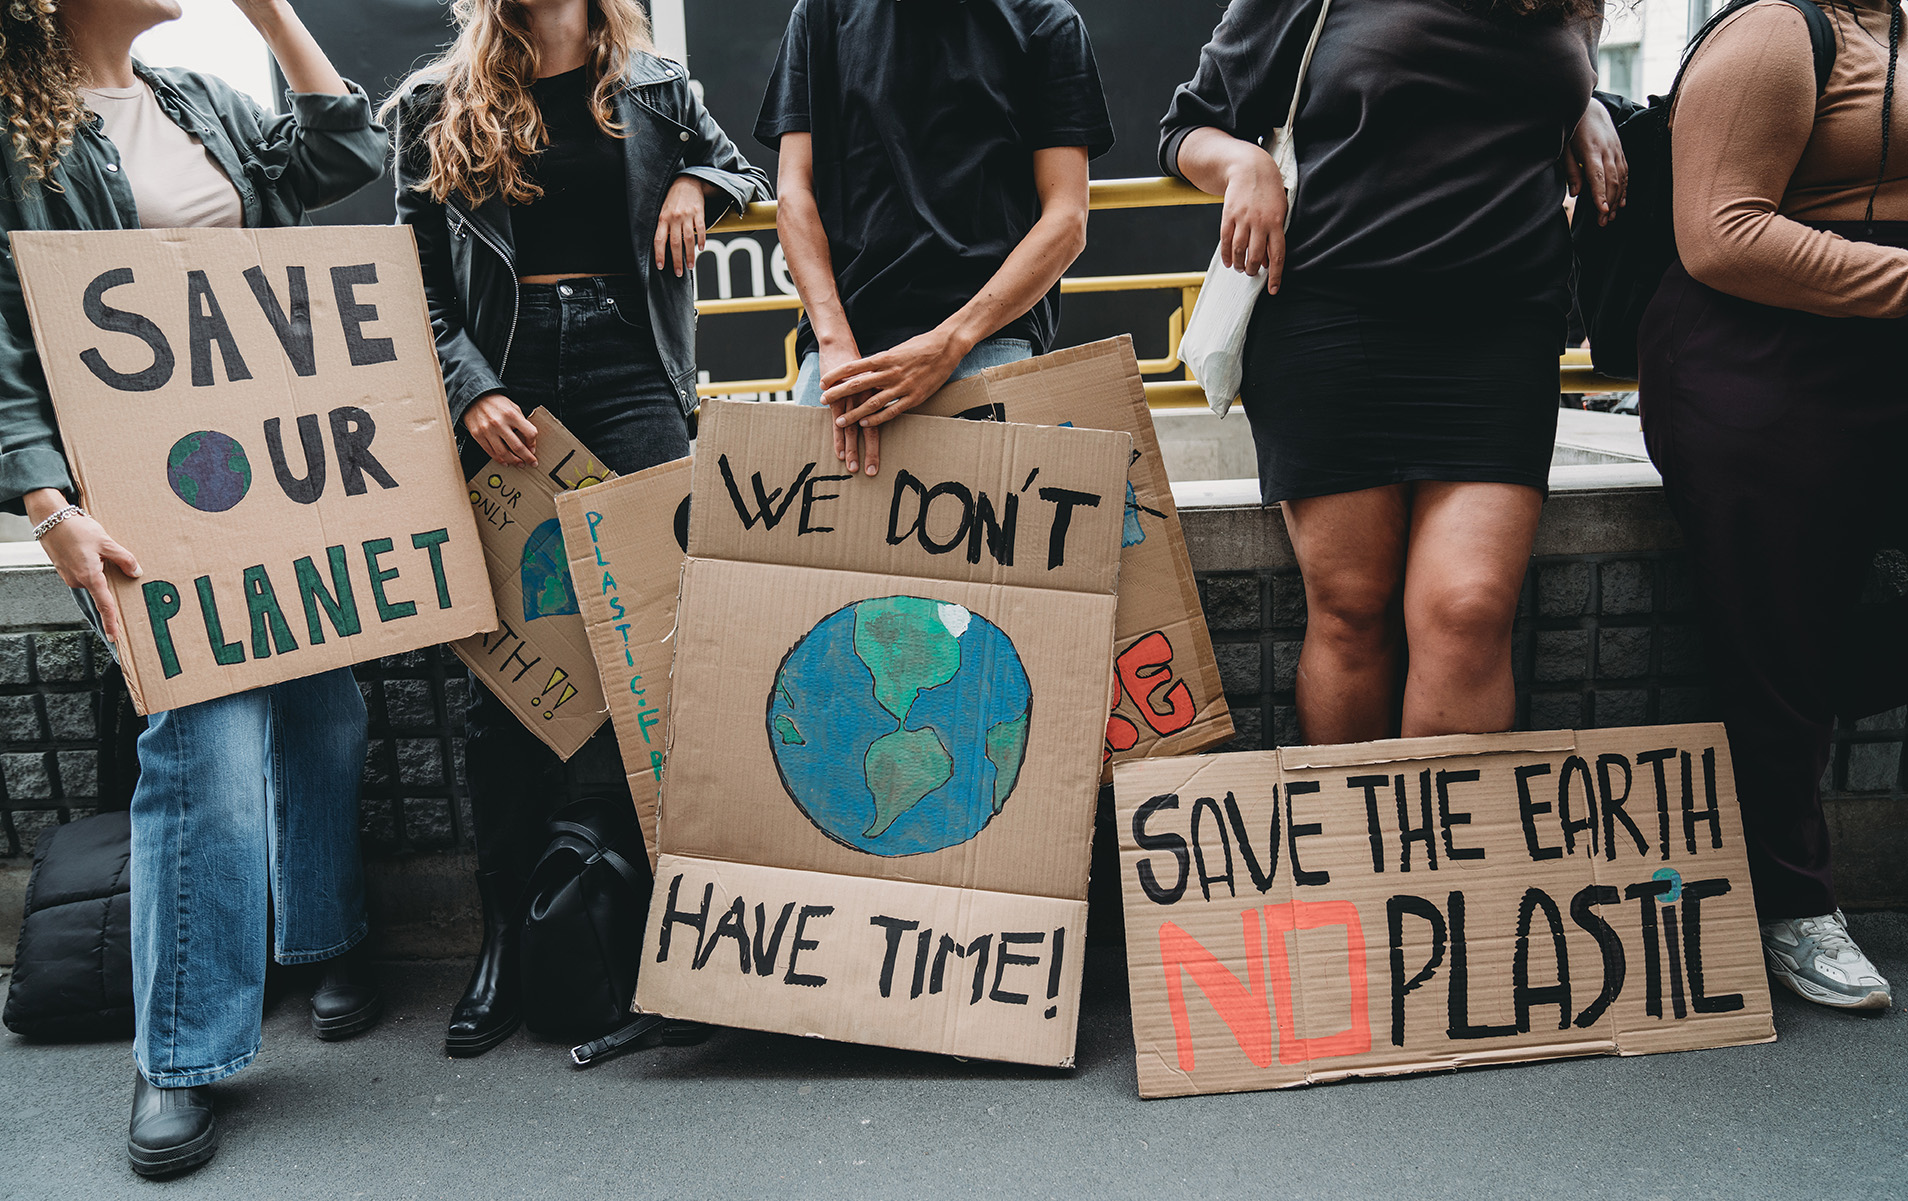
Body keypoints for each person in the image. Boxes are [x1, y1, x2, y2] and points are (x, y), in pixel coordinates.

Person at [0, 0, 385, 1178]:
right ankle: (181, 1051)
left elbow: (345, 151)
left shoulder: (198, 98)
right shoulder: (19, 133)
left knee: (325, 699)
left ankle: (324, 938)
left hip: (273, 467)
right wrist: (47, 506)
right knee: (202, 752)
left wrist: (273, 13)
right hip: (142, 492)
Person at [386, 0, 769, 1057]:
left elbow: (753, 175)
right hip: (507, 381)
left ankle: (664, 931)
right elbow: (410, 279)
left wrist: (700, 180)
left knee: (661, 647)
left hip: (633, 371)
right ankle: (507, 937)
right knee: (504, 670)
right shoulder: (434, 101)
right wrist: (466, 387)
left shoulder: (654, 88)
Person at [1160, 0, 1627, 744]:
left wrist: (1586, 107)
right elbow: (1187, 126)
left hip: (1503, 331)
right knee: (1350, 610)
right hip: (1332, 317)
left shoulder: (1574, 2)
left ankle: (1451, 861)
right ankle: (1350, 856)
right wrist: (1243, 163)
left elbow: (1524, 84)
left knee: (1469, 609)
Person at [1639, 0, 1905, 1011]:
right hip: (1761, 363)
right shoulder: (1775, 34)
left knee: (1787, 652)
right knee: (1775, 623)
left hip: (1884, 346)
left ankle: (1781, 697)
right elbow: (1720, 236)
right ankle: (1793, 905)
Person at [759, 0, 1114, 475]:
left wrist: (952, 341)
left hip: (985, 344)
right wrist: (834, 341)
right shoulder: (821, 12)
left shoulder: (1045, 19)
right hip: (847, 355)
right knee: (785, 549)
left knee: (994, 551)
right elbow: (793, 194)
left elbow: (1067, 219)